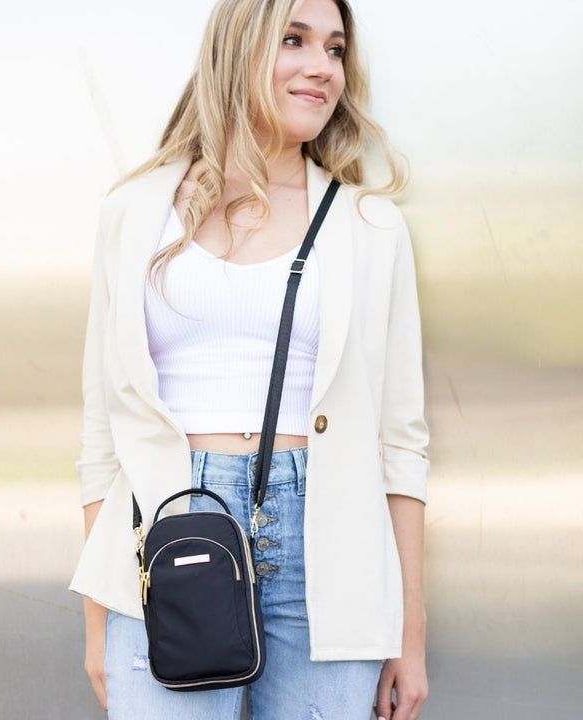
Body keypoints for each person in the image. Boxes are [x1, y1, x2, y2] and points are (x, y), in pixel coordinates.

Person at [69, 0, 430, 718]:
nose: (320, 66)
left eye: (334, 49)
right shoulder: (137, 212)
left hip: (327, 554)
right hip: (168, 539)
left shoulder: (370, 226)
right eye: (293, 40)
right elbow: (101, 432)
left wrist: (408, 631)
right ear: (238, 48)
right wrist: (98, 618)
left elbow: (401, 442)